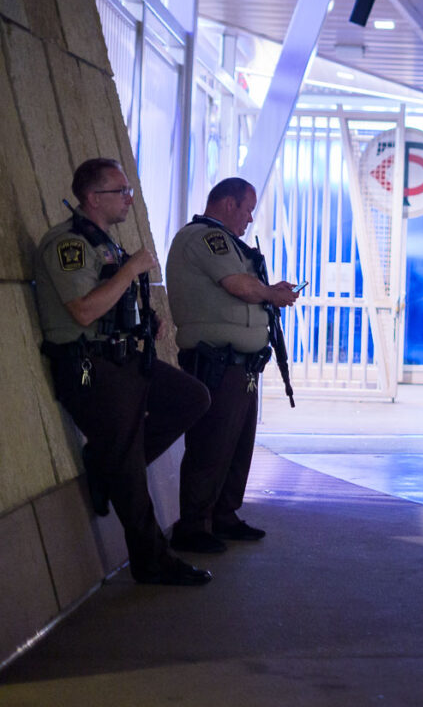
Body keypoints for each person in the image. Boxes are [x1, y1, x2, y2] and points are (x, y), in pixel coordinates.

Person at [33, 158, 213, 586]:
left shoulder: (104, 243)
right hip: (89, 368)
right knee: (129, 465)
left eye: (129, 189)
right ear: (94, 198)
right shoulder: (69, 244)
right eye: (121, 191)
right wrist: (131, 270)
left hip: (122, 358)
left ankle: (104, 463)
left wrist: (144, 321)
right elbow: (84, 310)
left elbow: (110, 305)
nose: (130, 198)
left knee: (192, 398)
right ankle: (152, 560)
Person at [165, 177, 298, 553]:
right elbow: (237, 285)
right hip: (216, 362)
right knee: (211, 444)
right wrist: (271, 294)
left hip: (241, 365)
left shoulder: (231, 244)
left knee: (237, 445)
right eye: (247, 209)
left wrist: (270, 294)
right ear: (227, 204)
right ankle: (193, 526)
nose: (250, 218)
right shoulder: (208, 237)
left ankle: (223, 515)